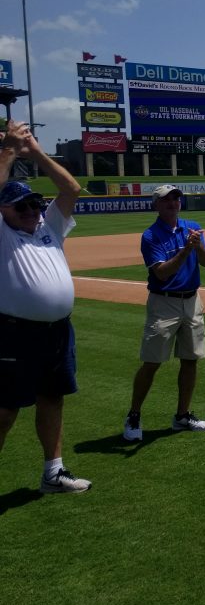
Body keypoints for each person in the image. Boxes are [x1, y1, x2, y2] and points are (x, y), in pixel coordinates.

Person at [0, 119, 91, 493]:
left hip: (57, 331)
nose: (30, 209)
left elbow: (70, 188)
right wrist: (7, 151)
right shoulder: (3, 233)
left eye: (34, 202)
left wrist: (35, 151)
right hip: (14, 332)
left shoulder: (48, 226)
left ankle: (53, 472)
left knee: (52, 397)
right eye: (19, 205)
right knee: (5, 408)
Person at [123, 185, 205, 442]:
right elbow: (161, 272)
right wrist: (186, 249)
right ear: (156, 205)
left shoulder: (192, 226)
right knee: (152, 362)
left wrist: (197, 247)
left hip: (192, 300)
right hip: (164, 303)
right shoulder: (151, 236)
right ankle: (134, 414)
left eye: (176, 198)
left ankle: (182, 415)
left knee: (190, 359)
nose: (173, 202)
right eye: (166, 199)